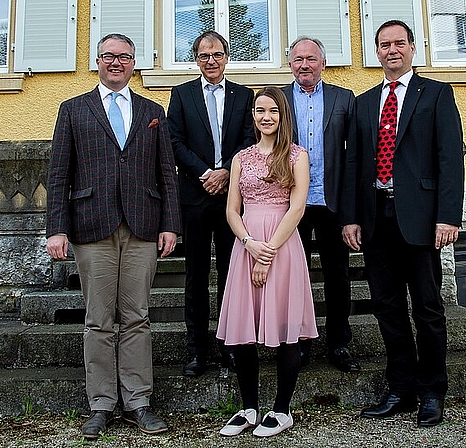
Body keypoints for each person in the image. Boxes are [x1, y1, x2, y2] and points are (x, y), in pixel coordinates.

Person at [46, 33, 181, 439]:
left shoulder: (152, 111)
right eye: (109, 56)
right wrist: (57, 228)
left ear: (134, 62)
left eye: (124, 57)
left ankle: (139, 401)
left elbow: (167, 174)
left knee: (137, 317)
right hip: (91, 227)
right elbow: (58, 175)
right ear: (98, 61)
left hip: (142, 225)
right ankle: (101, 404)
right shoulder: (73, 110)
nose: (116, 63)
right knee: (98, 320)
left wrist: (170, 223)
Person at [341, 20, 465, 427]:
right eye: (383, 45)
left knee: (427, 308)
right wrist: (351, 218)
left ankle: (432, 392)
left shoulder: (437, 94)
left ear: (412, 47)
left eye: (399, 43)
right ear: (376, 52)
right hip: (376, 218)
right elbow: (354, 164)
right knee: (387, 307)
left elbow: (450, 158)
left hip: (423, 220)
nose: (391, 50)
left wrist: (448, 216)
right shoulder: (363, 102)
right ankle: (401, 389)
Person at [216, 86, 318, 437]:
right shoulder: (241, 158)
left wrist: (268, 251)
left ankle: (282, 409)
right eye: (260, 110)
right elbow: (231, 209)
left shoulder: (296, 155)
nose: (266, 117)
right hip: (246, 244)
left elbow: (298, 207)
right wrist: (248, 243)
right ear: (254, 115)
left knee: (285, 328)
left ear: (283, 115)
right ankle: (248, 408)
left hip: (282, 244)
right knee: (244, 329)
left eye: (273, 110)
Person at [167, 31, 255, 377]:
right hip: (195, 195)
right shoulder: (182, 94)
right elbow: (173, 140)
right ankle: (196, 351)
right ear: (196, 59)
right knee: (196, 276)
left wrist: (226, 173)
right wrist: (206, 173)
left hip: (233, 198)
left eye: (217, 54)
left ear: (227, 57)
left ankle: (230, 346)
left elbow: (250, 140)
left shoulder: (243, 95)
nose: (211, 61)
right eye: (204, 56)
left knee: (232, 275)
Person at [281, 37, 360, 372]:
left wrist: (352, 212)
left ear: (323, 63)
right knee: (293, 277)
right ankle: (298, 343)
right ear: (290, 65)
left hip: (330, 201)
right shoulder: (277, 99)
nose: (304, 65)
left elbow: (353, 156)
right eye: (298, 59)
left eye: (311, 59)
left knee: (337, 276)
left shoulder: (344, 98)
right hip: (290, 204)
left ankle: (339, 343)